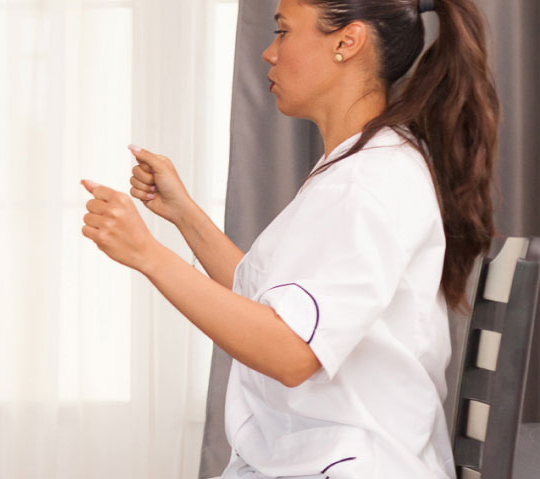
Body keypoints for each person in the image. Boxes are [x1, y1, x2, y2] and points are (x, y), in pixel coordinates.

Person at [79, 0, 498, 476]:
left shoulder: (370, 182)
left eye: (283, 32)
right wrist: (184, 215)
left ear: (347, 42)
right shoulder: (360, 166)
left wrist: (147, 254)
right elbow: (270, 304)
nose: (269, 53)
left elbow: (291, 352)